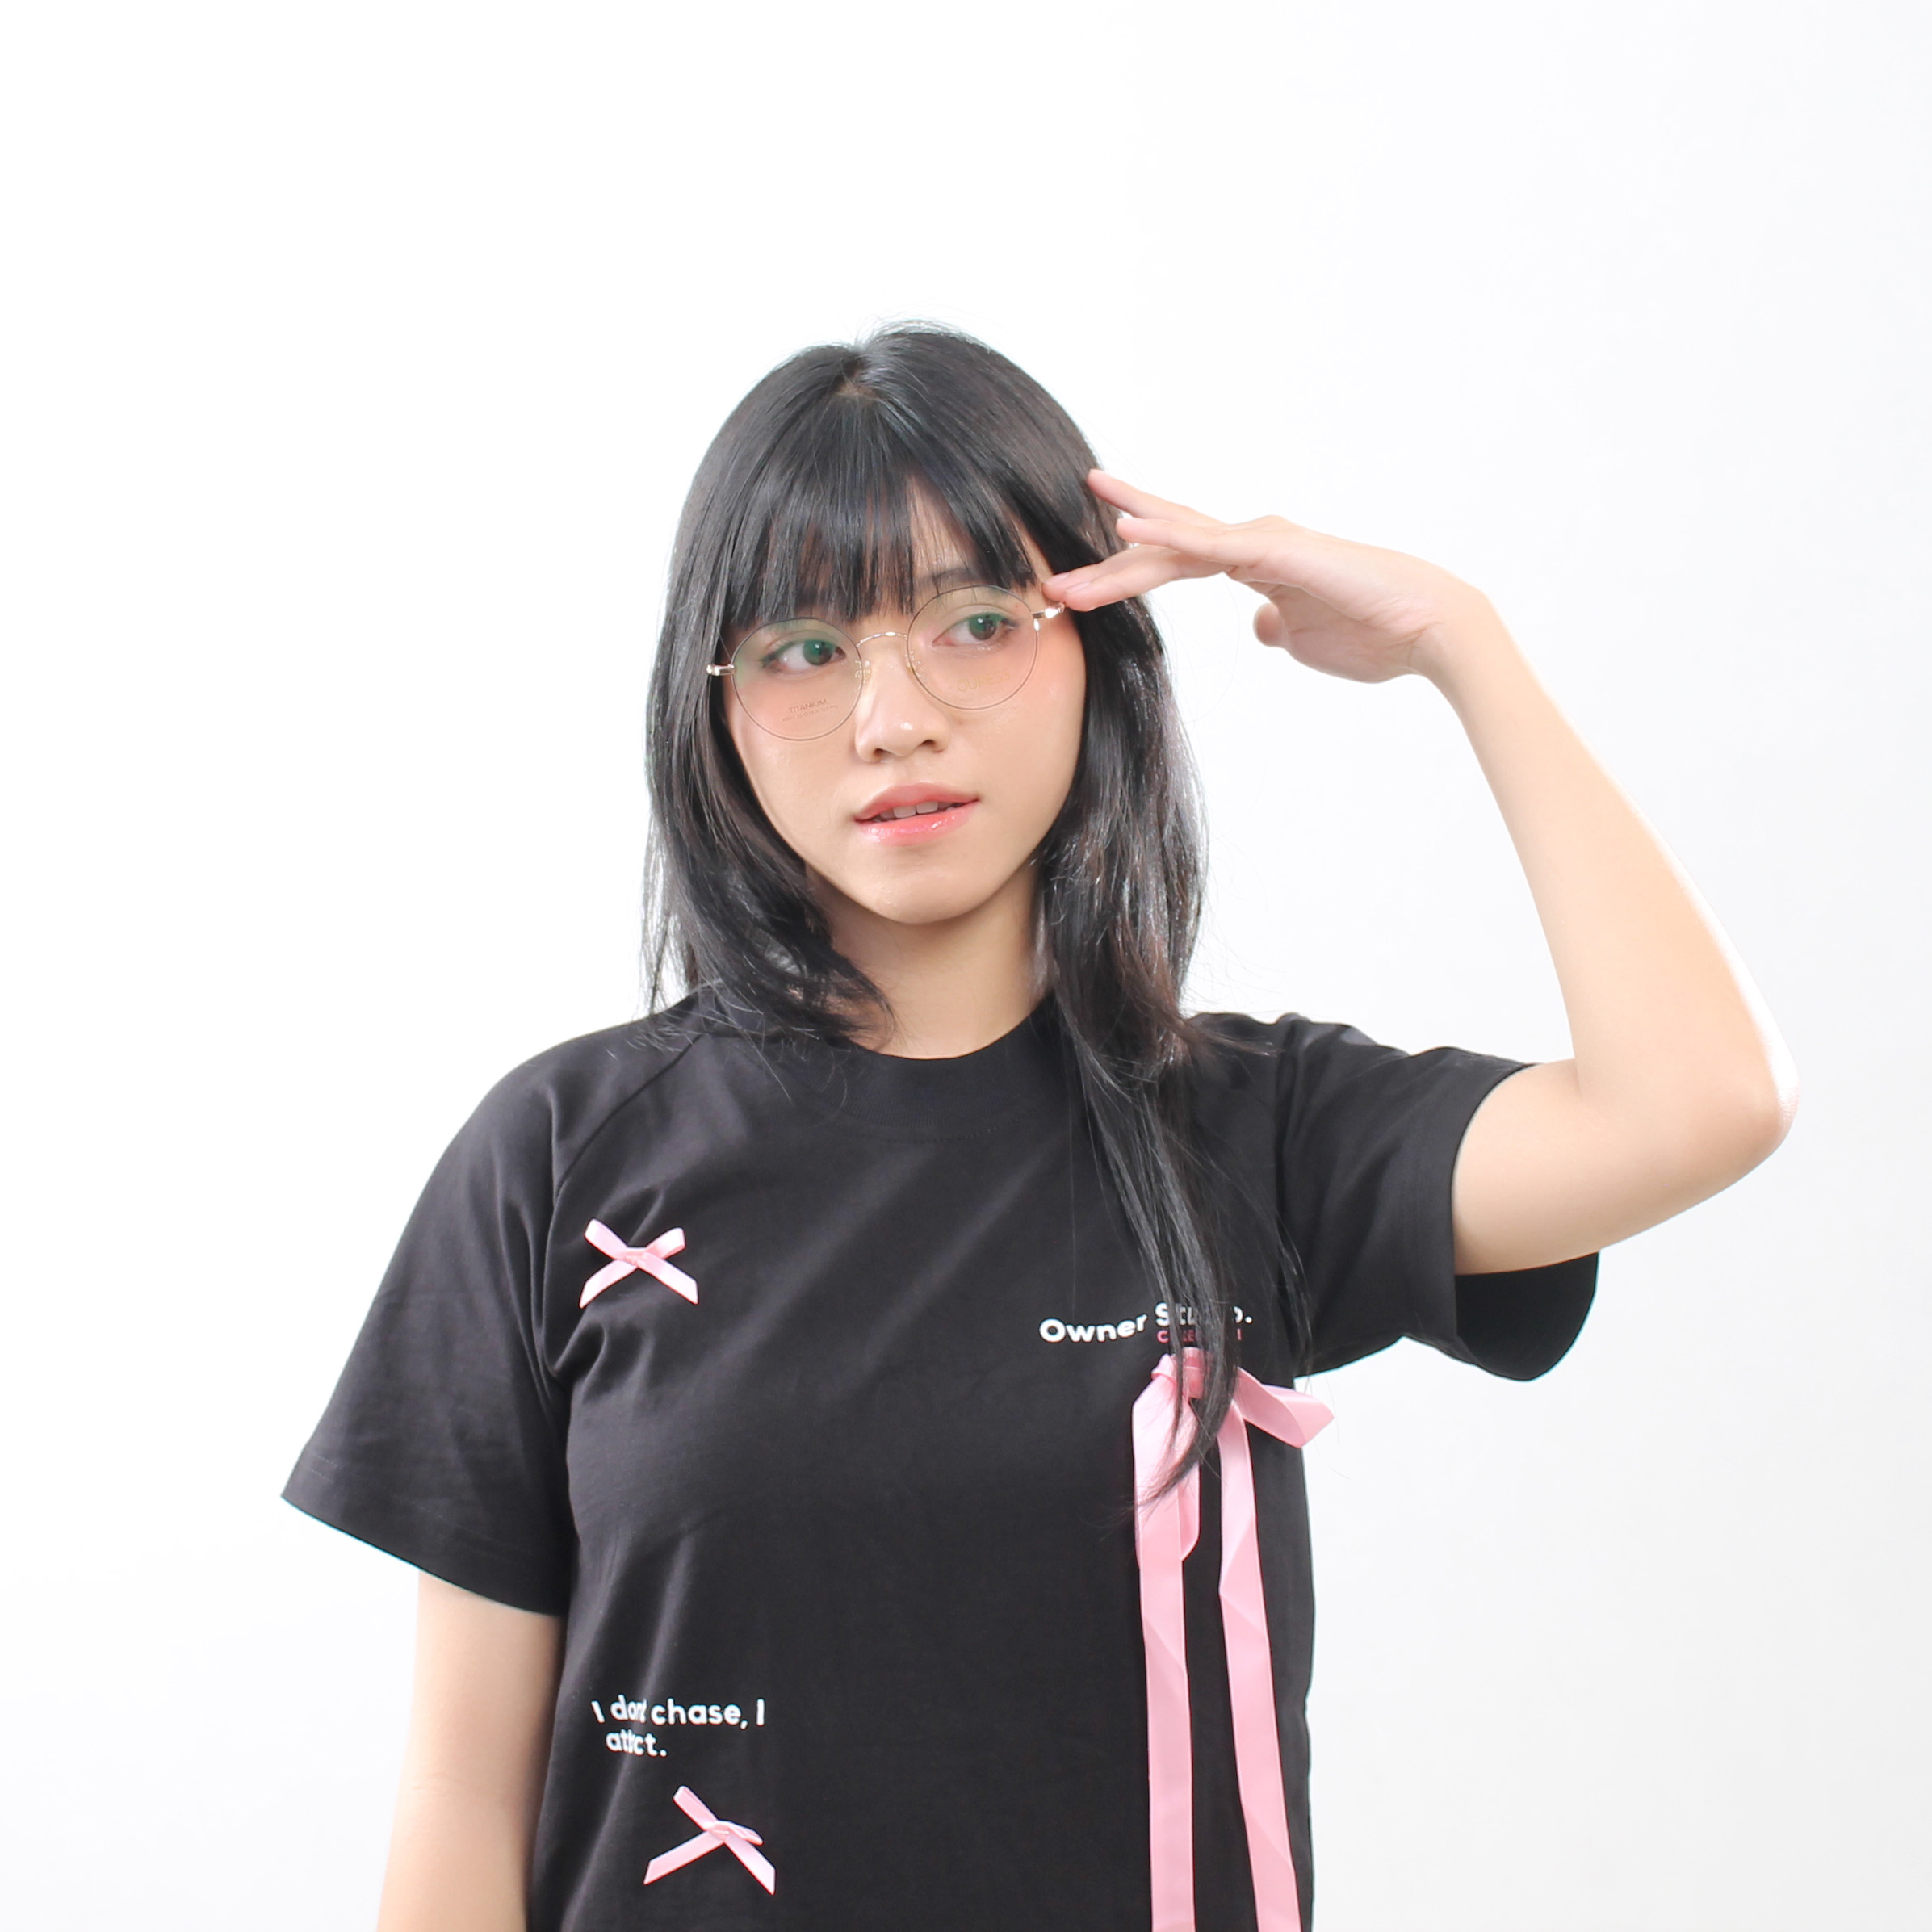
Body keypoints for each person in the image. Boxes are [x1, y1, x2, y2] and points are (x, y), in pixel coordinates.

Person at [284, 324, 1796, 1932]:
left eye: (977, 624)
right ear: (712, 704)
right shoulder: (561, 1155)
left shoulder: (1257, 1133)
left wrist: (1459, 641)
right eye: (806, 647)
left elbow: (1701, 1102)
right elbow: (464, 1798)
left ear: (1097, 653)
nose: (893, 718)